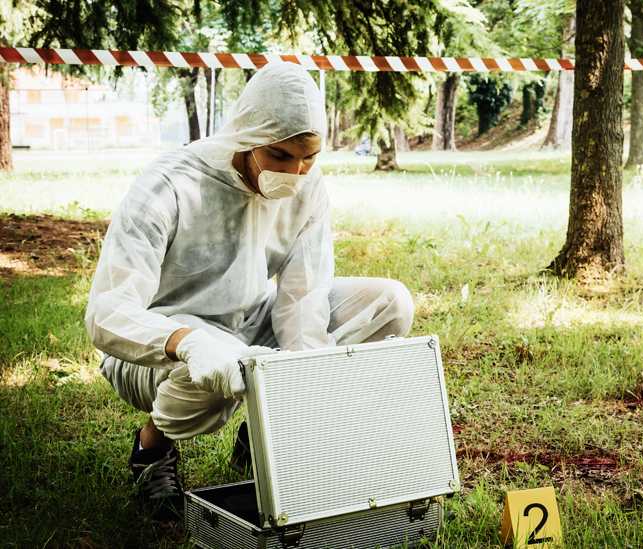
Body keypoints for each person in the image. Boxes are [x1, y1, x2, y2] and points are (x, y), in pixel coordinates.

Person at [84, 62, 415, 520]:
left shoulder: (307, 185)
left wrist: (297, 387)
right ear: (247, 135)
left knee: (389, 304)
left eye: (309, 157)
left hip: (247, 322)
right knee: (223, 359)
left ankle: (270, 429)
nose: (295, 171)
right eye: (280, 155)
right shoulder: (170, 185)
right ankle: (151, 449)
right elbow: (106, 313)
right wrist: (187, 342)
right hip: (155, 347)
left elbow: (303, 296)